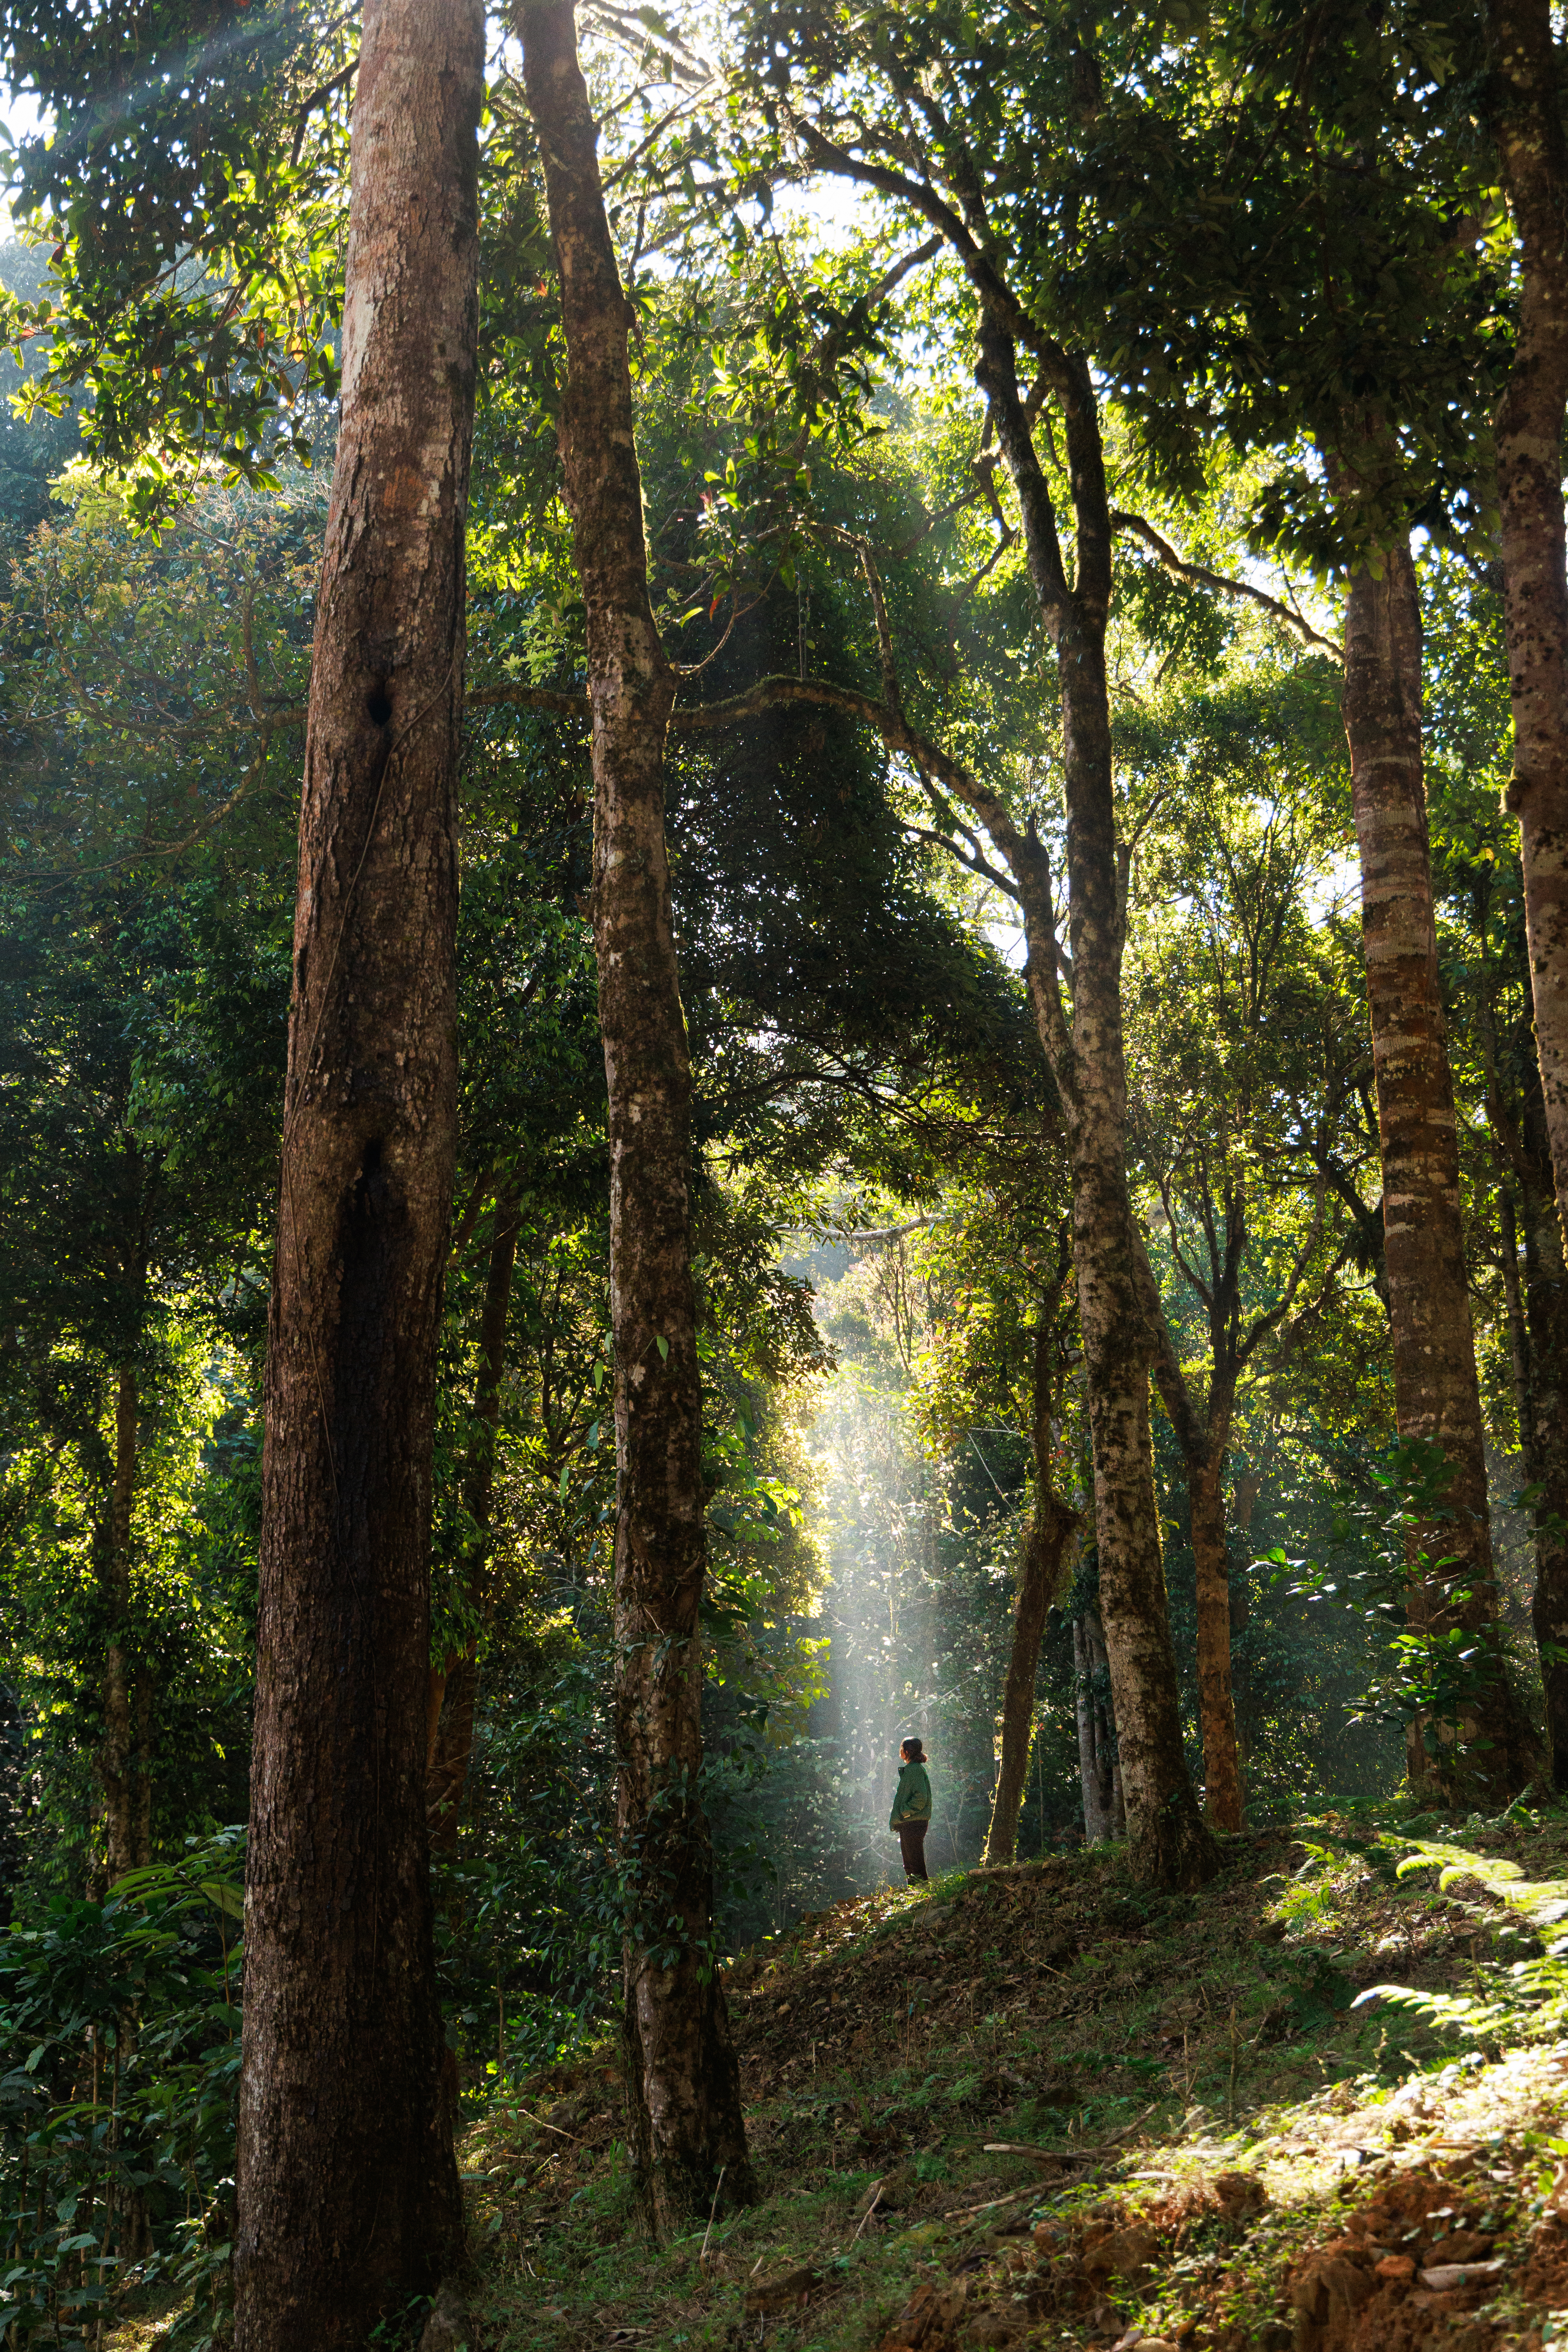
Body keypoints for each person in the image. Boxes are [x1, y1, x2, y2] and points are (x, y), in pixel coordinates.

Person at [889, 1736, 932, 1882]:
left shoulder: (914, 1770)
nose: (900, 1753)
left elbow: (921, 1799)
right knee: (910, 1864)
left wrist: (903, 1814)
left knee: (914, 1865)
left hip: (913, 1823)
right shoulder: (913, 1770)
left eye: (902, 1750)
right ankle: (916, 1896)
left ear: (906, 1752)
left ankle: (923, 1897)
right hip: (911, 1823)